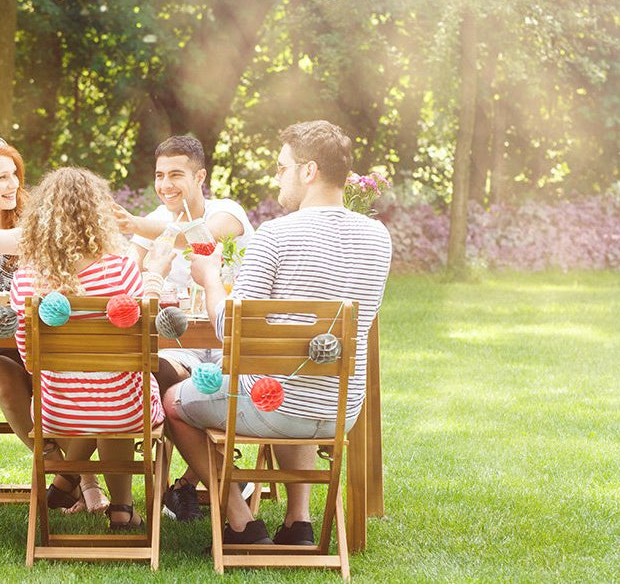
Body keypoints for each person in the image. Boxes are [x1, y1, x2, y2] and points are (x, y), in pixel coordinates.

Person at [162, 120, 392, 544]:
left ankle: (240, 523)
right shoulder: (378, 237)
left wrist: (211, 278)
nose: (277, 176)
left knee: (174, 401)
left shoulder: (276, 235)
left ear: (309, 171)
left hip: (273, 405)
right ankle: (298, 523)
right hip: (340, 409)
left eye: (282, 167)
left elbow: (231, 327)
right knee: (296, 380)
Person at [10, 167, 167, 528]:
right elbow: (144, 338)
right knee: (118, 390)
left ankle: (66, 477)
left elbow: (30, 361)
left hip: (57, 412)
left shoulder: (26, 279)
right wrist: (155, 272)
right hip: (126, 412)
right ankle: (122, 509)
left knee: (98, 390)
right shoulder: (121, 270)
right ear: (97, 215)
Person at [114, 134, 255, 521]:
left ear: (200, 176)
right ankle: (228, 474)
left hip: (230, 349)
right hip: (182, 349)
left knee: (189, 390)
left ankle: (193, 481)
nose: (165, 185)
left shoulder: (228, 211)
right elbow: (128, 275)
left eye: (176, 174)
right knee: (154, 372)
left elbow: (204, 235)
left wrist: (139, 225)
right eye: (160, 175)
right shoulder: (155, 221)